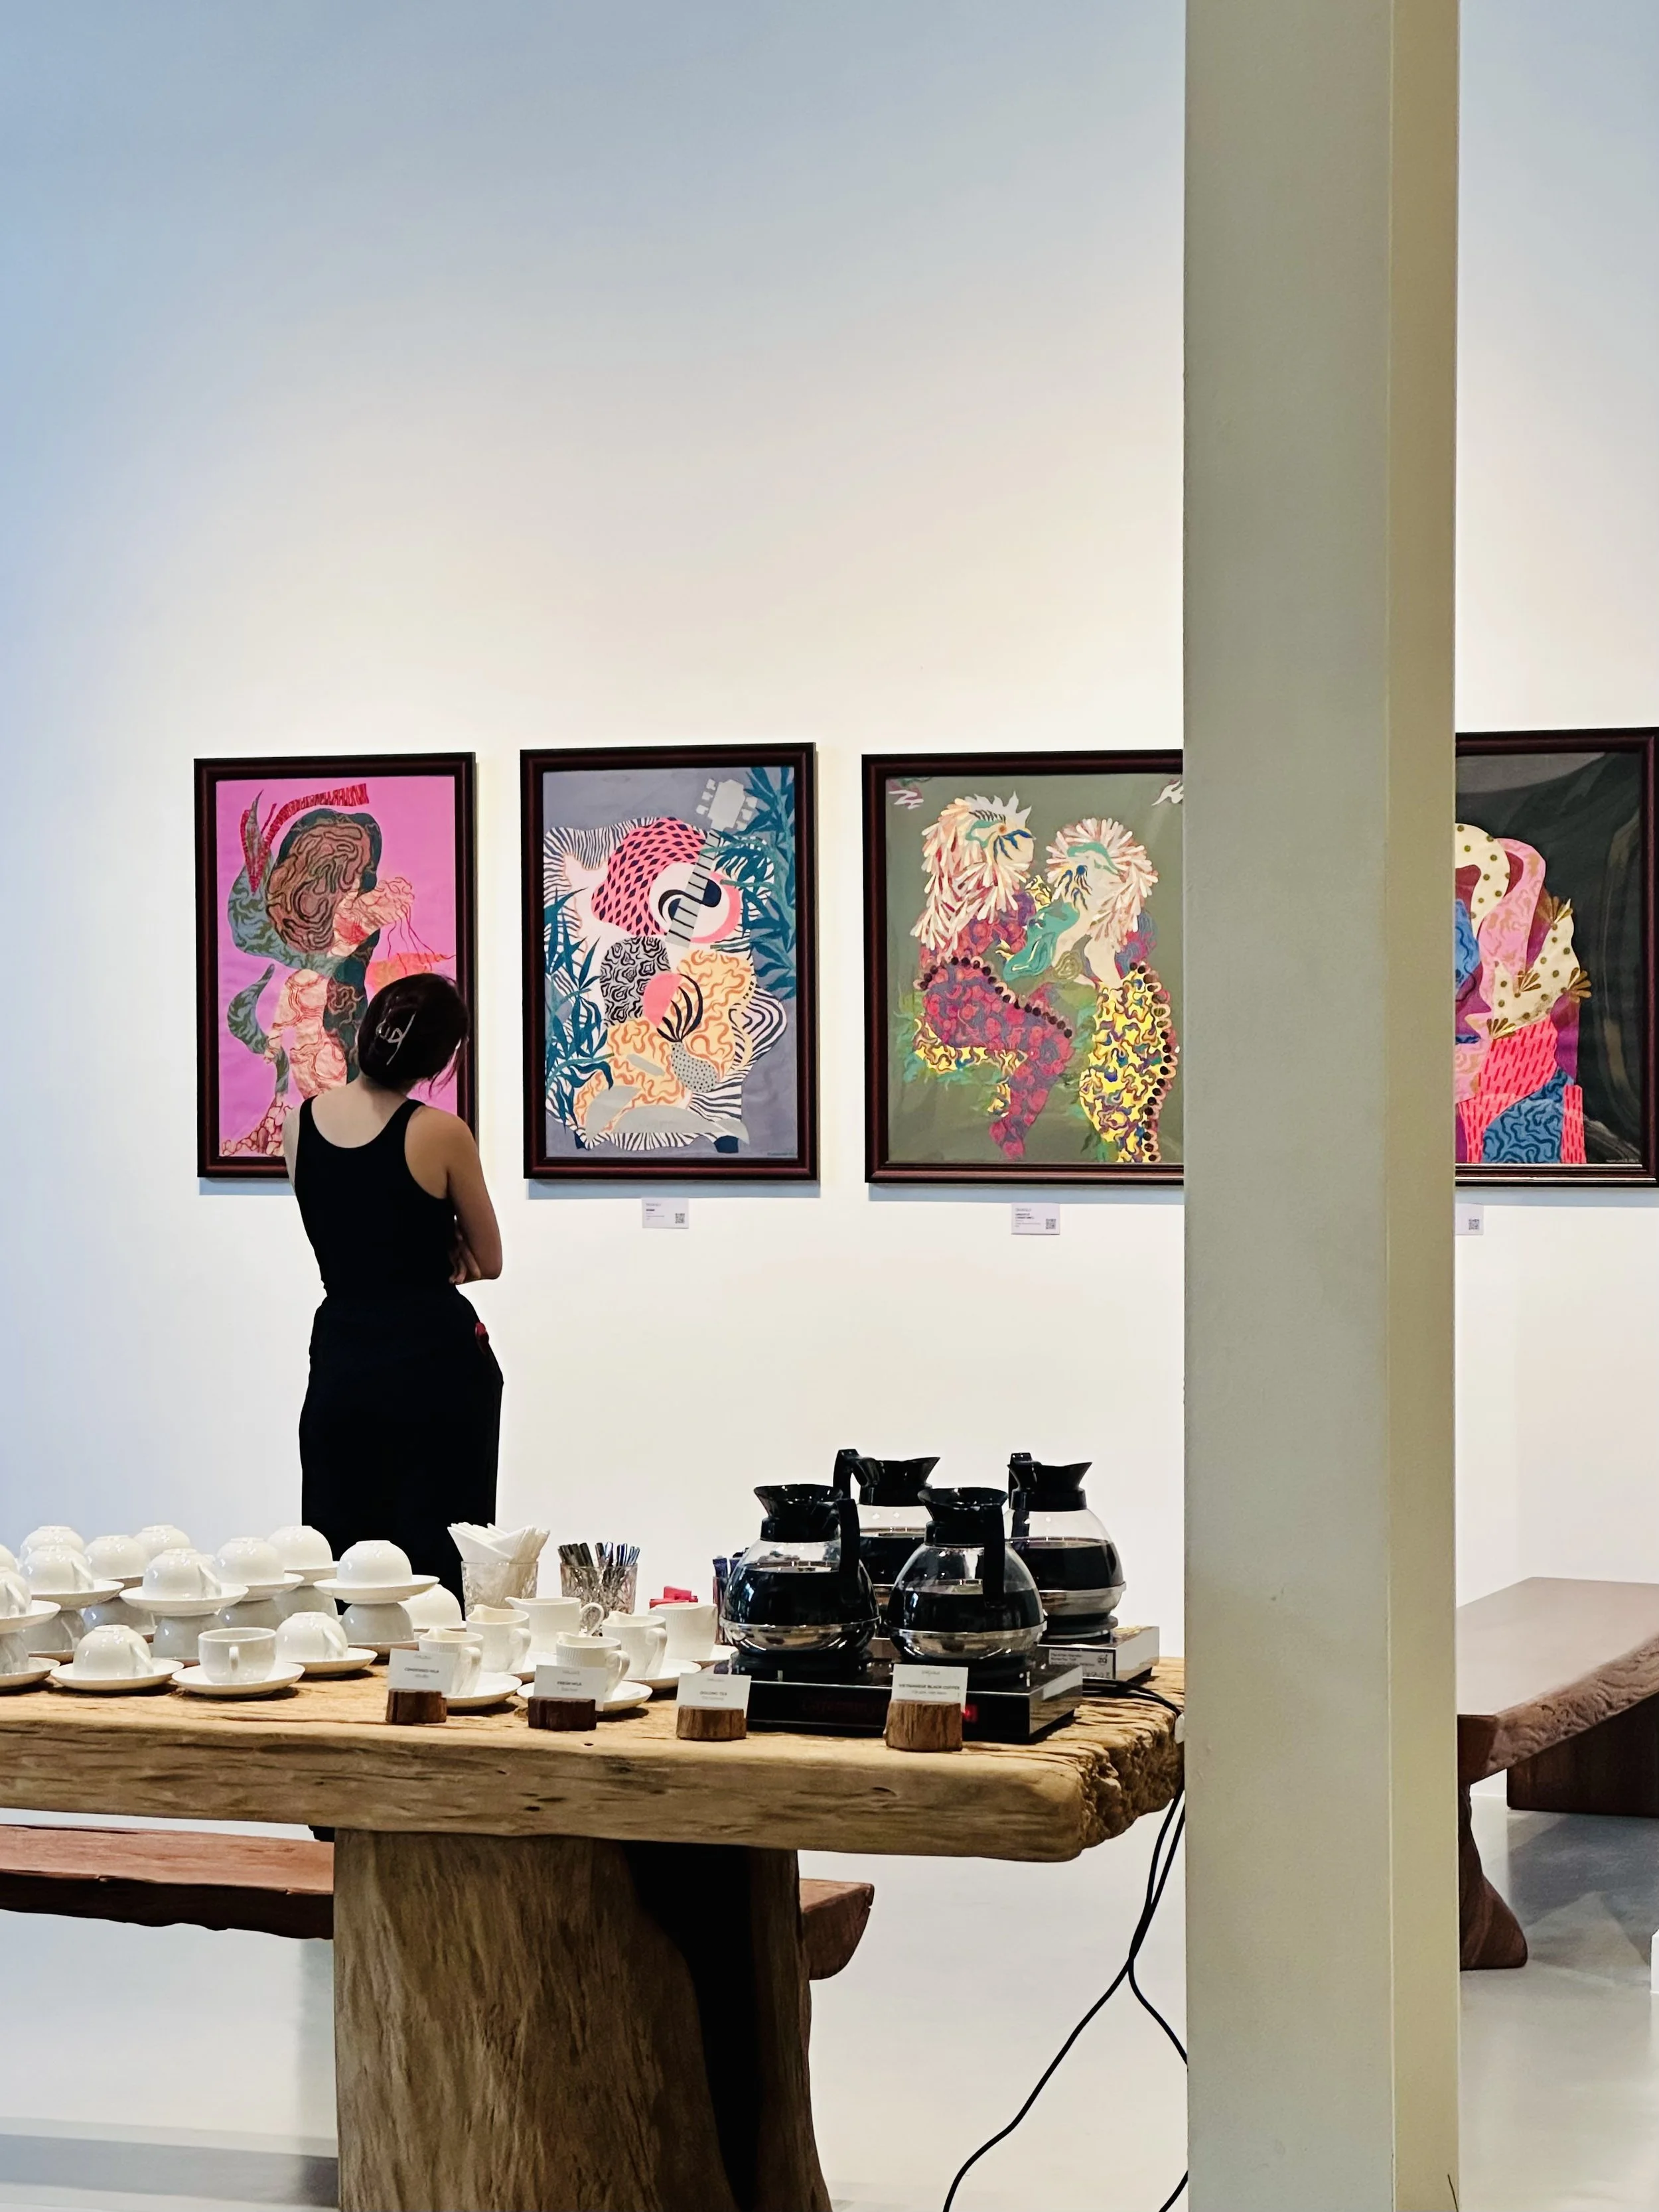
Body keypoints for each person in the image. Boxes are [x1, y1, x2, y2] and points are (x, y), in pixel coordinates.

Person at [283, 974, 503, 1600]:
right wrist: (439, 1247)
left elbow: (349, 1232)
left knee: (344, 1553)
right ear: (440, 1060)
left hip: (343, 1352)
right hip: (433, 1357)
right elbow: (488, 1259)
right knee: (436, 1565)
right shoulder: (441, 1132)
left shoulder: (299, 1125)